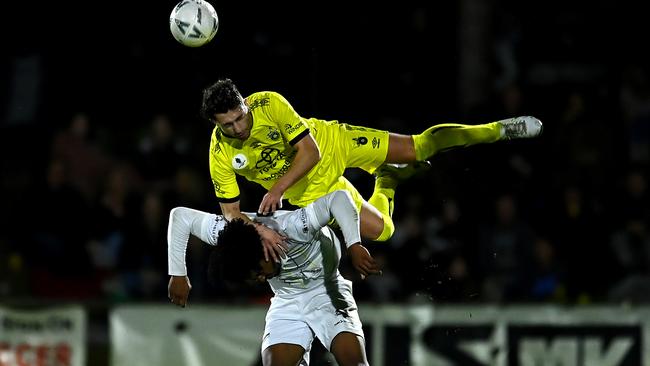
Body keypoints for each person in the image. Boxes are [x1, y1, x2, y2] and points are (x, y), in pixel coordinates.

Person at [201, 78, 543, 261]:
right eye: (228, 125)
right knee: (384, 232)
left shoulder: (269, 103)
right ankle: (387, 178)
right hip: (313, 192)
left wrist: (276, 189)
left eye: (240, 116)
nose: (238, 127)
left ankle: (498, 129)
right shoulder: (219, 152)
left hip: (331, 143)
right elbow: (231, 213)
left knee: (417, 147)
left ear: (245, 103)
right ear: (217, 125)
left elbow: (311, 152)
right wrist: (261, 232)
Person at [167, 190, 380, 366]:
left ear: (263, 251)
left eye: (258, 272)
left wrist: (354, 244)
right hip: (287, 299)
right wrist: (178, 273)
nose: (261, 279)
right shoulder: (230, 236)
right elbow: (180, 217)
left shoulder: (293, 227)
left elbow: (339, 198)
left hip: (327, 290)